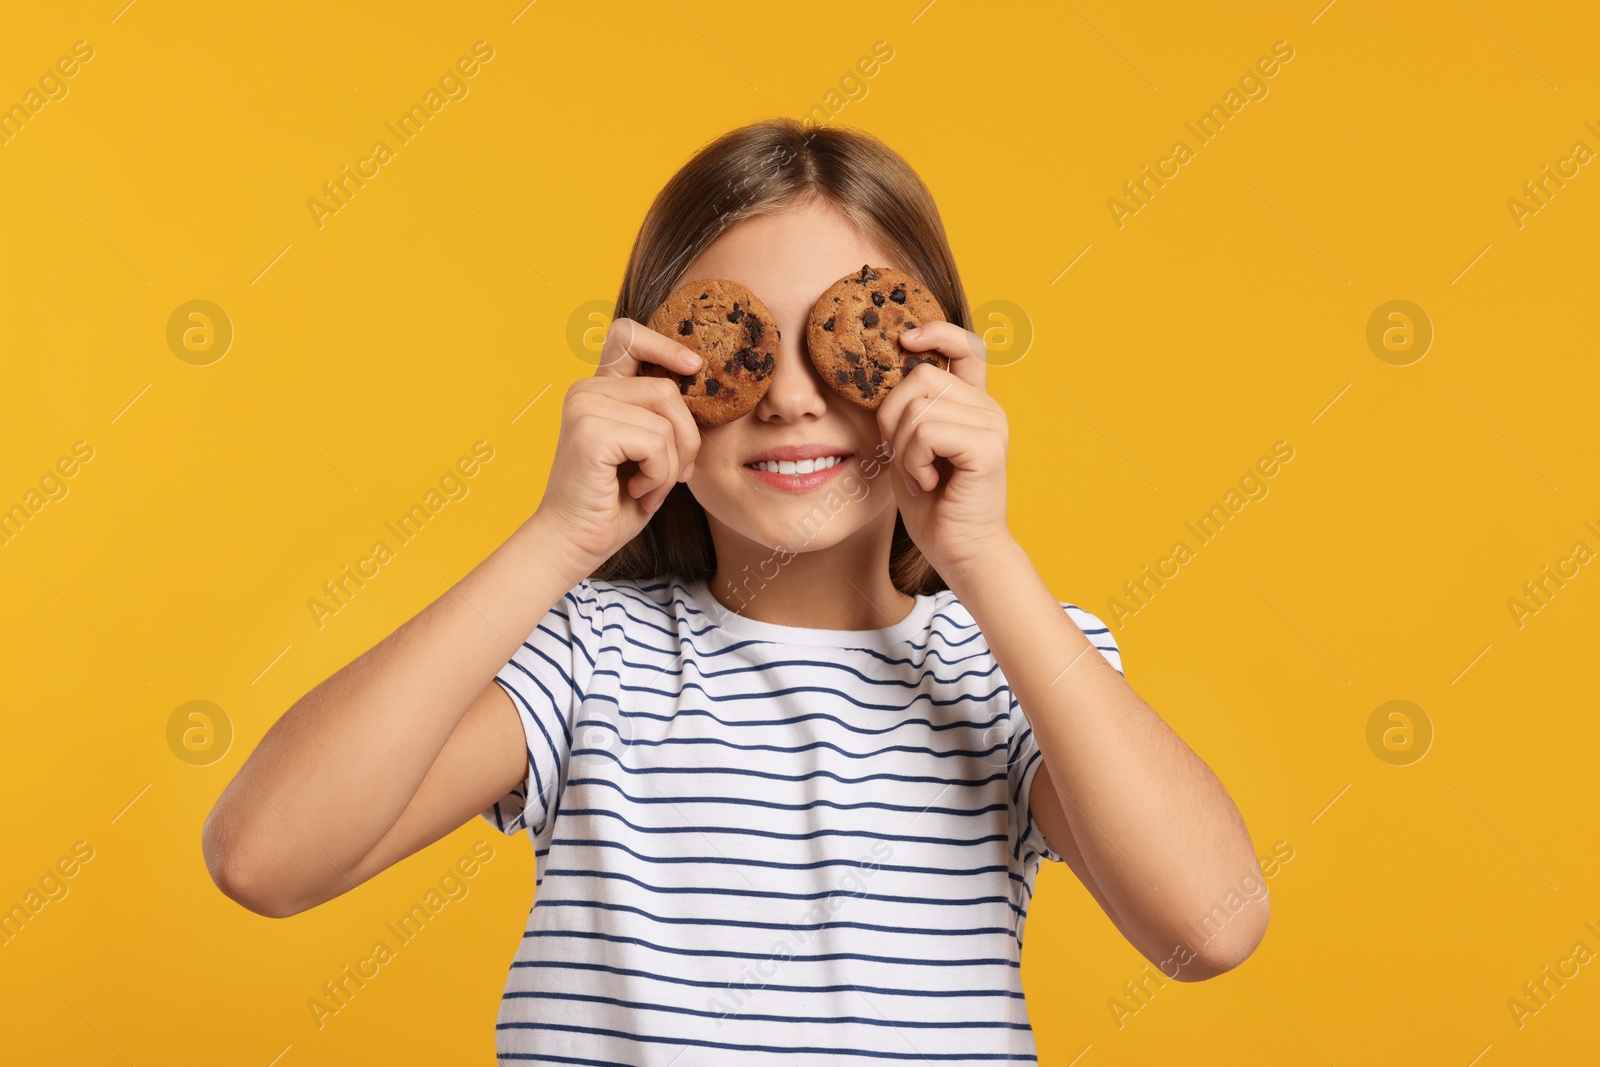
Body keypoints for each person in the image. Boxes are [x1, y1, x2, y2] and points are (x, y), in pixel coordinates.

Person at [202, 117, 1268, 1064]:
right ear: (656, 370)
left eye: (843, 342)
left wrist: (984, 555)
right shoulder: (585, 656)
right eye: (743, 343)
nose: (794, 398)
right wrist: (556, 538)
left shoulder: (1015, 664)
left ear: (935, 366)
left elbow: (1210, 926)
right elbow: (265, 857)